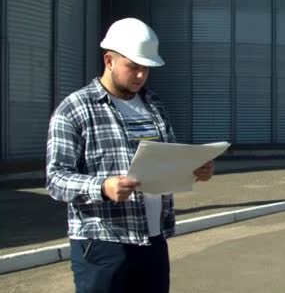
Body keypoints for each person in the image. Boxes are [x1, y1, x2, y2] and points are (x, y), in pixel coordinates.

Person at [46, 17, 214, 293]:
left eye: (145, 69)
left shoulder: (154, 105)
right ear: (109, 61)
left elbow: (168, 159)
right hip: (102, 245)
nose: (140, 76)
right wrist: (102, 187)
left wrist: (195, 169)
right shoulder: (75, 110)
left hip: (152, 241)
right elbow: (55, 179)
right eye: (133, 67)